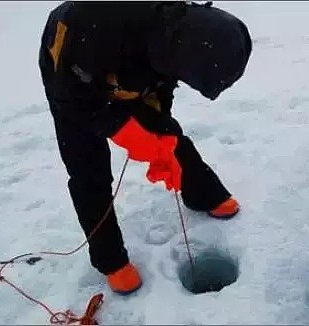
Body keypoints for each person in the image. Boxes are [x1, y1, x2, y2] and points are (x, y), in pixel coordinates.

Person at [38, 1, 252, 295]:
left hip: (126, 69)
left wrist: (159, 127)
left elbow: (161, 89)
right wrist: (120, 128)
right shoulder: (97, 23)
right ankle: (110, 259)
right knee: (87, 167)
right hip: (69, 66)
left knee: (166, 134)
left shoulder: (178, 36)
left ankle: (203, 193)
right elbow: (72, 100)